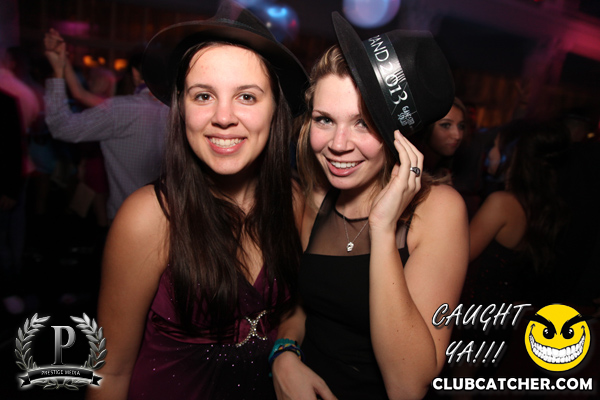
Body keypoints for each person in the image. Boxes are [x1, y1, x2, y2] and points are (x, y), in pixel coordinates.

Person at [86, 2, 308, 400]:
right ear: (181, 108)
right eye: (203, 95)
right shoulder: (149, 217)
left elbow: (294, 308)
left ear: (276, 108)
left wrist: (285, 350)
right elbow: (111, 371)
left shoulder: (293, 200)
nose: (223, 117)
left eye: (247, 96)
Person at [271, 13, 469, 400]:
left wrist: (382, 227)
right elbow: (303, 306)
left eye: (363, 123)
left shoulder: (438, 210)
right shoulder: (315, 197)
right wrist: (285, 354)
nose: (338, 144)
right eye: (324, 119)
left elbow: (407, 386)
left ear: (399, 137)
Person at [43, 34, 169, 221]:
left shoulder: (119, 110)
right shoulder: (182, 113)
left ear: (135, 73)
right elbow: (80, 93)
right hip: (170, 219)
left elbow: (61, 126)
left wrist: (57, 70)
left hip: (128, 220)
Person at [465, 118, 570, 307]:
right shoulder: (541, 203)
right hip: (504, 312)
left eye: (495, 146)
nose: (490, 152)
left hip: (481, 311)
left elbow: (458, 256)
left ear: (512, 154)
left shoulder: (501, 203)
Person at [417, 97, 468, 180]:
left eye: (461, 126)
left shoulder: (445, 171)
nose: (457, 135)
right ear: (426, 127)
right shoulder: (411, 171)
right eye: (446, 125)